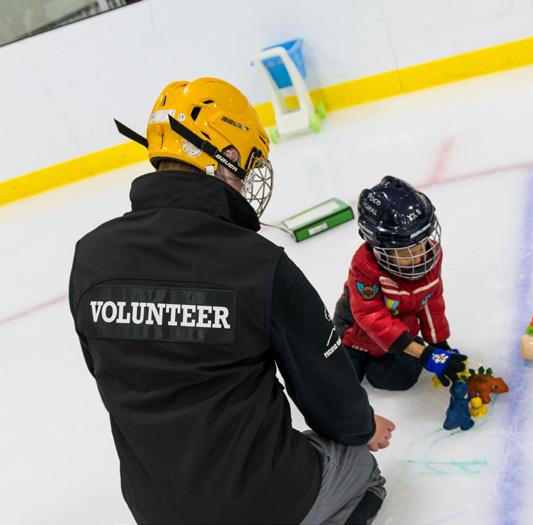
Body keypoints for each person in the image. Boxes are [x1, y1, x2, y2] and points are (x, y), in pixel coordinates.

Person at [70, 77, 392, 524]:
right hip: (261, 501)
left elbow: (107, 371)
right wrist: (363, 425)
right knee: (362, 469)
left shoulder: (90, 257)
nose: (246, 181)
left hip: (156, 510)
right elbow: (325, 387)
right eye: (246, 166)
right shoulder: (259, 263)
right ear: (225, 158)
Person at [333, 176, 467, 391]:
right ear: (379, 247)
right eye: (405, 253)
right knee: (342, 381)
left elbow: (432, 301)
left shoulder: (430, 256)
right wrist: (422, 353)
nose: (417, 257)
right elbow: (370, 316)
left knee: (395, 379)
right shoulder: (364, 267)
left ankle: (402, 351)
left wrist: (438, 343)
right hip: (355, 336)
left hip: (399, 331)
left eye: (420, 246)